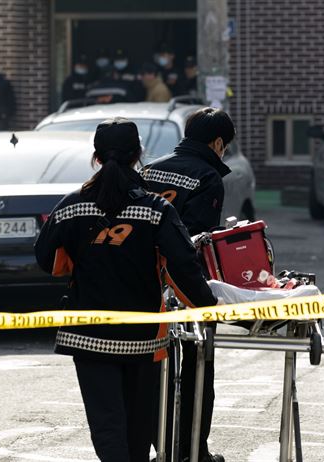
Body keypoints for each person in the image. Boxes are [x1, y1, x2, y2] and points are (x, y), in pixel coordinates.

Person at [35, 118, 218, 462]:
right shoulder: (156, 209)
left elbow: (45, 258)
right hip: (142, 339)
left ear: (96, 156)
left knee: (107, 427)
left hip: (87, 337)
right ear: (138, 155)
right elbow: (184, 267)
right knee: (137, 430)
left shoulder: (71, 206)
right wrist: (210, 308)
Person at [142, 107, 234, 462]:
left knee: (154, 367)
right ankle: (194, 451)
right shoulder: (208, 176)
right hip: (183, 286)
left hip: (145, 285)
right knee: (197, 367)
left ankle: (162, 447)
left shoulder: (151, 168)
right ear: (217, 143)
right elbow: (197, 241)